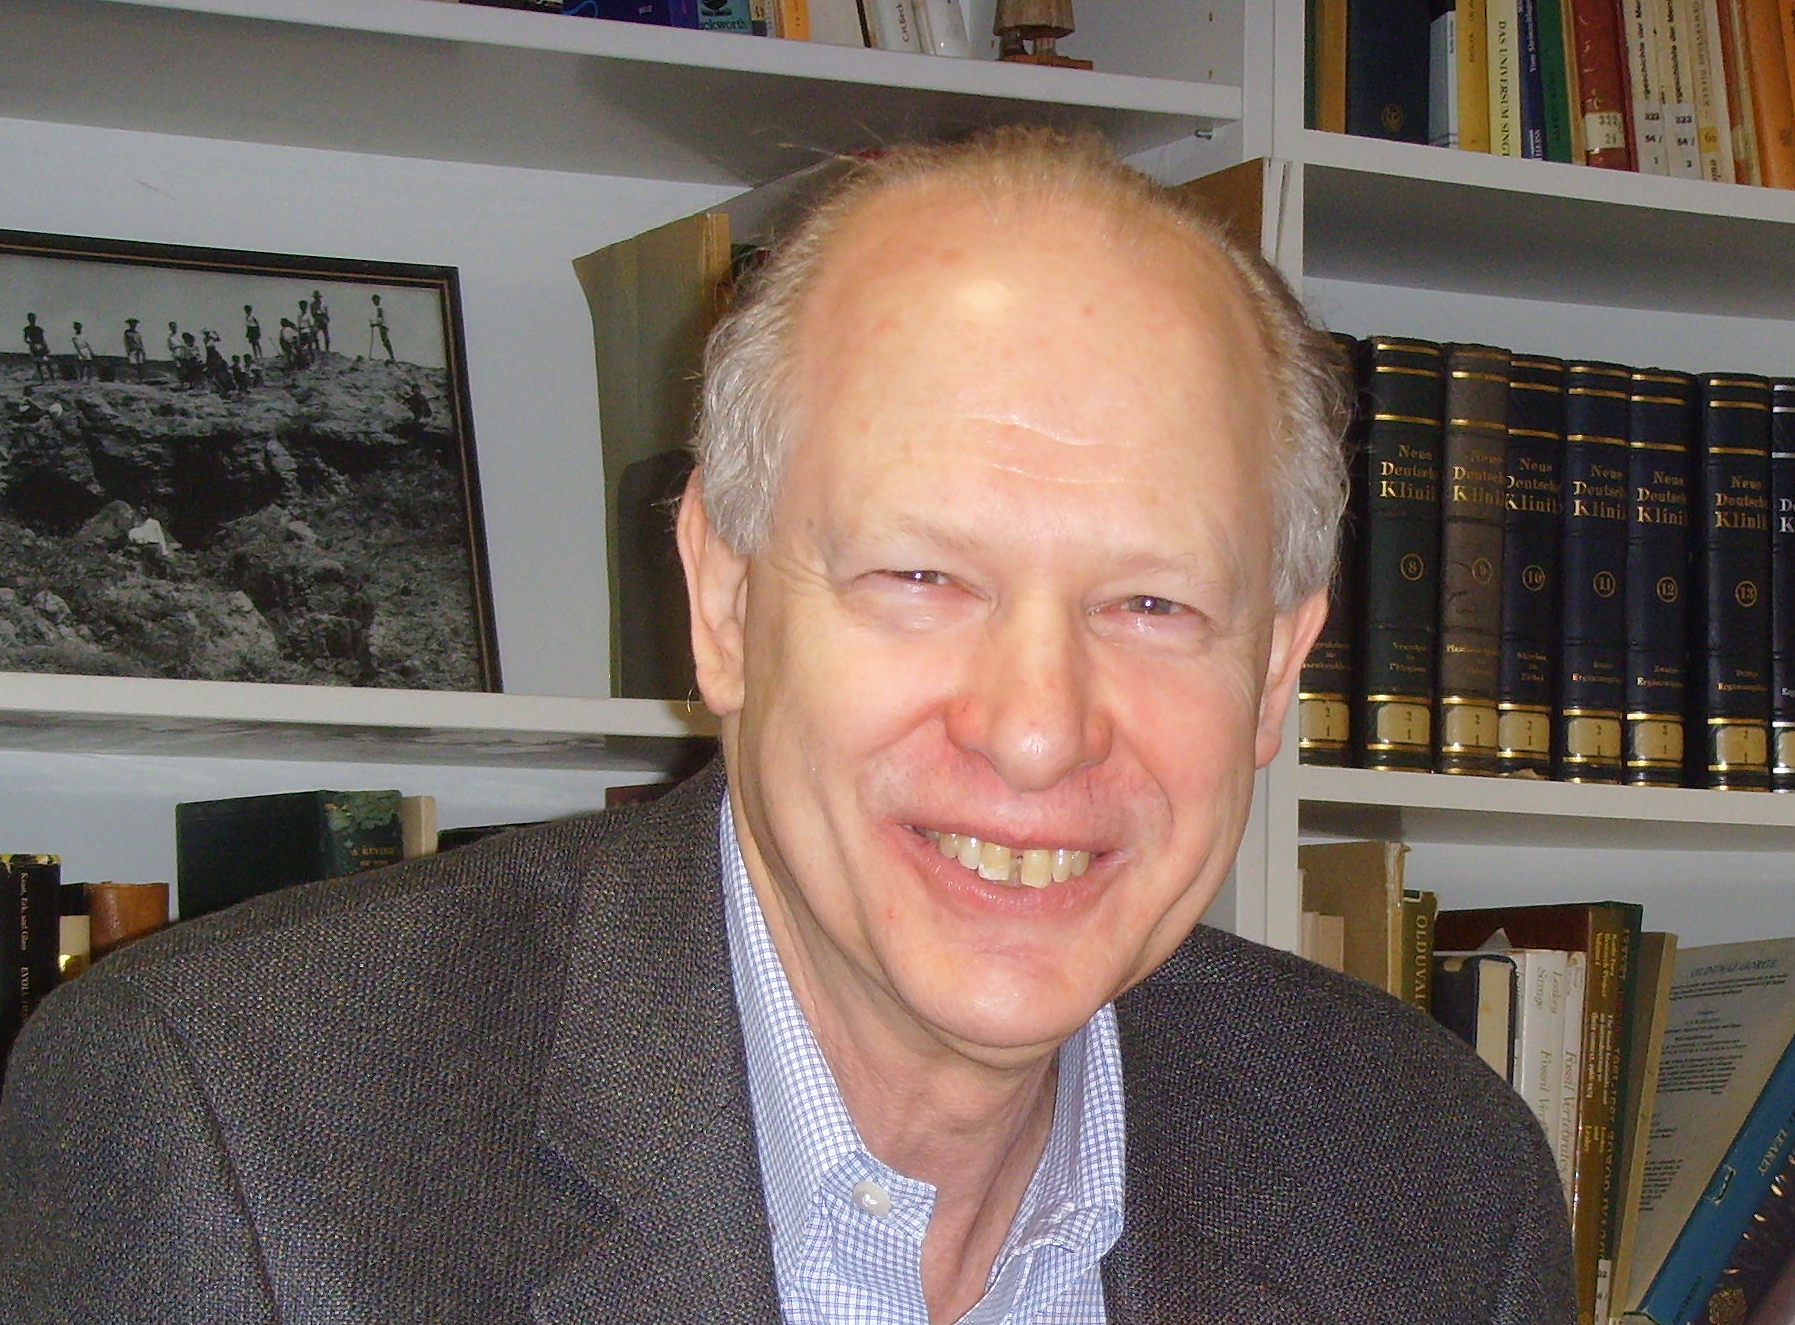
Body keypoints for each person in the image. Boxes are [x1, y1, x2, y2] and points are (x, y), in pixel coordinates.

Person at [0, 129, 1574, 1323]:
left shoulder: (1434, 1182)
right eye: (920, 576)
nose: (1036, 732)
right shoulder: (231, 1135)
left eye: (1152, 603)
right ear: (724, 601)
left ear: (1276, 670)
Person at [22, 312, 52, 382]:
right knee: (38, 364)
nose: (32, 320)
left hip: (42, 347)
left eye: (33, 319)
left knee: (47, 362)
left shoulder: (39, 329)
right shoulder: (27, 329)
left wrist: (46, 347)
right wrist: (32, 344)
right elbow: (25, 340)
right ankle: (42, 380)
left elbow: (43, 339)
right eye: (31, 319)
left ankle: (52, 379)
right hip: (34, 348)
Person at [370, 291, 394, 361]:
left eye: (375, 300)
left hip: (383, 326)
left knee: (385, 341)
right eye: (373, 301)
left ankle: (391, 356)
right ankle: (391, 356)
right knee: (385, 341)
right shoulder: (381, 307)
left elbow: (380, 319)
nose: (374, 302)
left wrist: (374, 324)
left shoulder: (380, 308)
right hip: (383, 325)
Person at [310, 289, 331, 354]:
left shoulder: (323, 304)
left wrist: (326, 317)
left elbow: (326, 313)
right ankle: (317, 347)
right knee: (314, 333)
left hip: (323, 320)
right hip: (317, 320)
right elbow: (313, 313)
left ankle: (327, 348)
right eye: (315, 297)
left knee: (326, 334)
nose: (317, 298)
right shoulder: (312, 305)